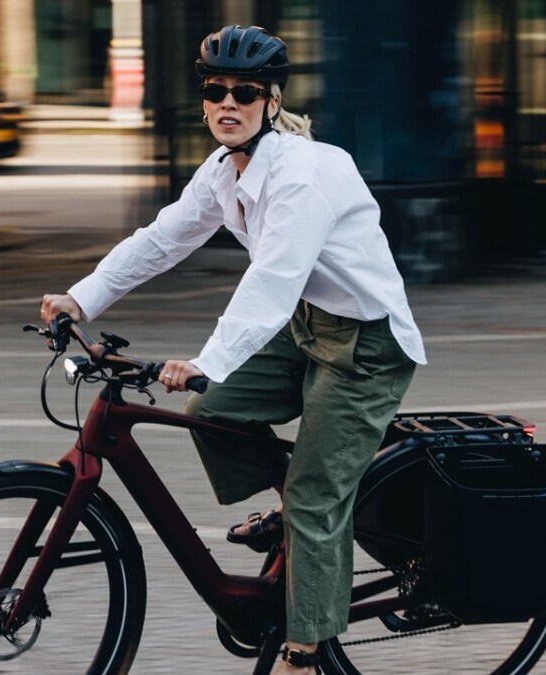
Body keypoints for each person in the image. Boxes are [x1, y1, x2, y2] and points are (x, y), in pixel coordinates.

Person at [40, 24, 426, 674]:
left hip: (366, 346)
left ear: (271, 102)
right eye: (215, 90)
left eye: (244, 92)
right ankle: (298, 511)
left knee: (315, 495)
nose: (227, 102)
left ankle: (304, 651)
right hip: (307, 326)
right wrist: (82, 299)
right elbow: (162, 238)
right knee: (213, 409)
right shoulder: (225, 171)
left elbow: (273, 280)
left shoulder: (300, 177)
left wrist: (206, 360)